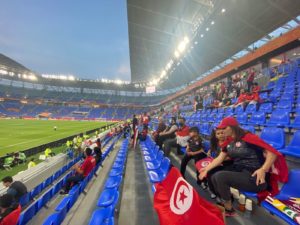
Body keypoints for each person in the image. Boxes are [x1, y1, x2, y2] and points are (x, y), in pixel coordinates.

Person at [199, 117, 288, 216]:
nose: (222, 131)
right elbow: (220, 158)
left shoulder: (249, 137)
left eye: (224, 128)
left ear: (232, 127)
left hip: (254, 176)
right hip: (240, 170)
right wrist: (206, 169)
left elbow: (272, 153)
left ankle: (229, 209)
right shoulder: (229, 141)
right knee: (213, 174)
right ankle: (225, 201)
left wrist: (263, 169)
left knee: (220, 176)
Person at [206, 129, 233, 199]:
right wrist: (209, 151)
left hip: (228, 164)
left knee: (215, 175)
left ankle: (222, 194)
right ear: (215, 136)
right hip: (218, 163)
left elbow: (230, 157)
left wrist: (219, 161)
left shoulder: (230, 143)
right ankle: (214, 191)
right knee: (209, 173)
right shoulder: (216, 143)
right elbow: (212, 149)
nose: (221, 135)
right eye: (218, 134)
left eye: (222, 133)